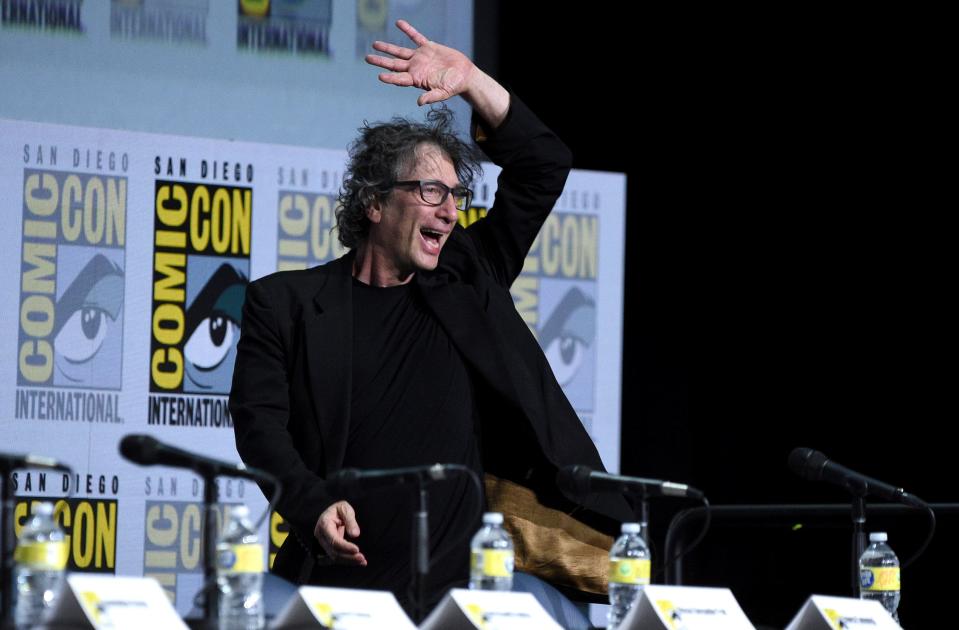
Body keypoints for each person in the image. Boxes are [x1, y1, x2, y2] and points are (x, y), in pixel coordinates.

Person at [229, 19, 630, 621]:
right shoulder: (284, 305)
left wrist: (471, 82)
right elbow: (260, 430)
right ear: (374, 201)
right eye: (430, 192)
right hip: (341, 587)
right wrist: (311, 506)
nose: (450, 210)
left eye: (456, 195)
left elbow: (545, 162)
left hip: (464, 598)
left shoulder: (468, 275)